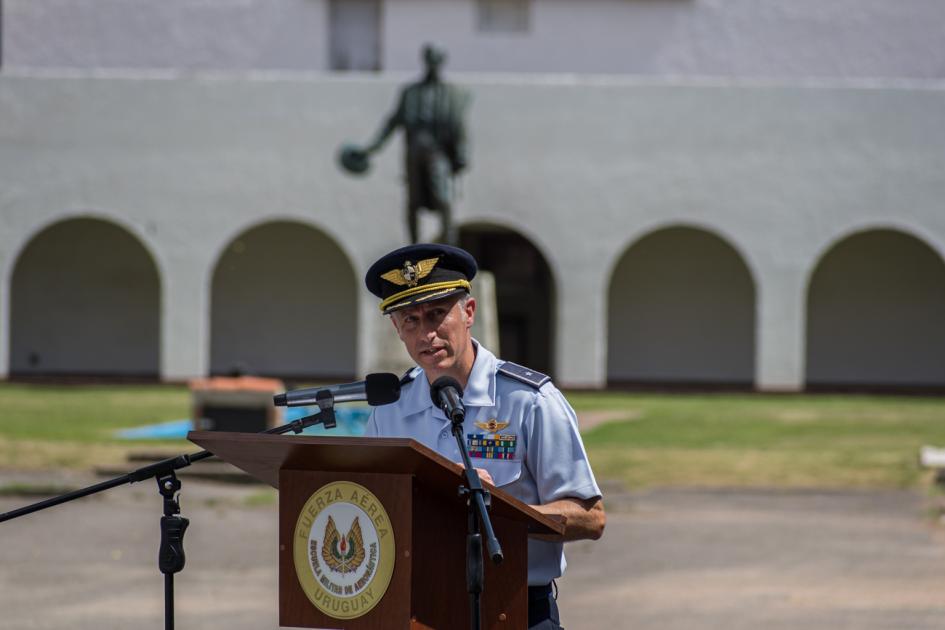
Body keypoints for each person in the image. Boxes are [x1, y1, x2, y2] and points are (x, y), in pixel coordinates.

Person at [364, 243, 605, 630]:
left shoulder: (528, 400)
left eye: (437, 314)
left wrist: (500, 514)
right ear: (397, 329)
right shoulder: (389, 410)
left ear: (469, 312)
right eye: (410, 320)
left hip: (514, 609)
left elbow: (591, 518)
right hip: (417, 612)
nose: (426, 334)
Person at [358, 45, 470, 245]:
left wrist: (462, 154)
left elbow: (458, 124)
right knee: (413, 202)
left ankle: (450, 249)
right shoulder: (410, 92)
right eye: (430, 60)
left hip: (438, 152)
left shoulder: (452, 94)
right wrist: (371, 148)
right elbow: (392, 123)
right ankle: (414, 248)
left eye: (436, 60)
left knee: (444, 199)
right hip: (414, 152)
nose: (433, 65)